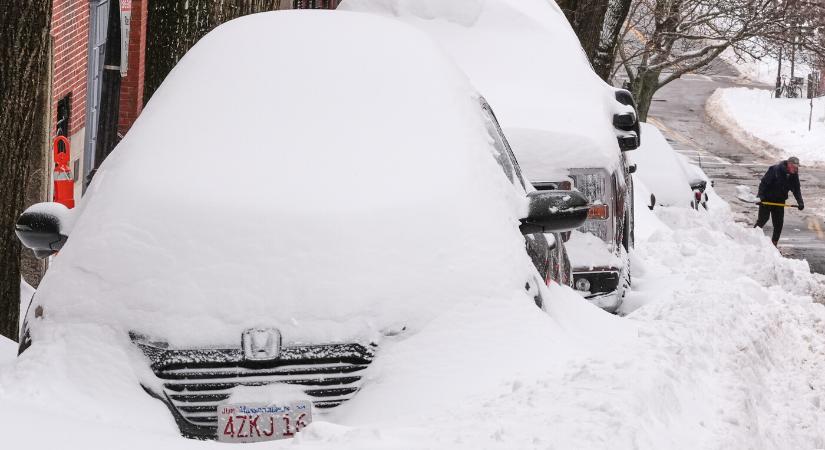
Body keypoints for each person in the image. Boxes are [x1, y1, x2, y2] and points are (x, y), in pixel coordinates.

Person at [754, 156, 804, 246]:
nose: (796, 169)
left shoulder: (794, 175)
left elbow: (796, 189)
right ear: (789, 164)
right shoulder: (775, 170)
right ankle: (751, 237)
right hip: (767, 200)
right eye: (794, 166)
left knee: (778, 224)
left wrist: (800, 202)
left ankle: (774, 245)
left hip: (780, 201)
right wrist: (760, 197)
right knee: (763, 220)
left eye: (797, 167)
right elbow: (764, 183)